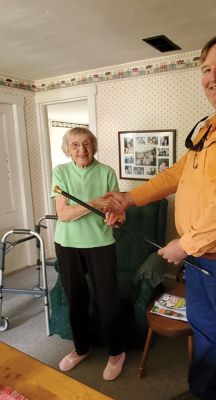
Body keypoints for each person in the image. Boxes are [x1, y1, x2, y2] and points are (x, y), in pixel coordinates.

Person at [103, 33, 216, 399]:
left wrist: (185, 244)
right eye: (206, 69)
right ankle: (202, 393)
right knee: (205, 334)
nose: (213, 76)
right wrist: (128, 198)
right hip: (203, 261)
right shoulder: (208, 126)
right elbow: (176, 174)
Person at [51, 127, 126, 381]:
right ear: (67, 148)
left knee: (108, 300)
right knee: (76, 298)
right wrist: (95, 203)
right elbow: (63, 215)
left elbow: (118, 212)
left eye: (86, 144)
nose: (81, 150)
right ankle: (81, 348)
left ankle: (116, 353)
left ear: (93, 145)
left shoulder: (106, 172)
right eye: (75, 145)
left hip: (100, 244)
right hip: (67, 244)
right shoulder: (60, 172)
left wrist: (116, 217)